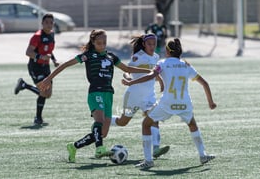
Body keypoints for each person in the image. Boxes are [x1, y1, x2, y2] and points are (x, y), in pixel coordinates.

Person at [38, 29, 152, 162]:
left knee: (102, 133)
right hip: (95, 91)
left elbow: (127, 69)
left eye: (104, 42)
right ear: (93, 42)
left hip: (108, 93)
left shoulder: (111, 57)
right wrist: (48, 78)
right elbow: (65, 65)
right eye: (99, 43)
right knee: (99, 121)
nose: (102, 45)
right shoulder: (88, 55)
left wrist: (150, 71)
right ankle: (99, 150)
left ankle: (73, 146)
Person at [122, 38, 217, 169]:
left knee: (146, 124)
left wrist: (130, 82)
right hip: (184, 103)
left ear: (167, 51)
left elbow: (151, 75)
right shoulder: (186, 64)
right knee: (192, 124)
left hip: (167, 103)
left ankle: (148, 161)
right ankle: (203, 155)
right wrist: (210, 102)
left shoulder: (162, 63)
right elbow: (205, 83)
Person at [111, 33, 169, 159]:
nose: (152, 46)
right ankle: (104, 121)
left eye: (154, 44)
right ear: (143, 44)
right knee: (122, 122)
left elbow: (153, 71)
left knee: (154, 118)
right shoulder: (138, 57)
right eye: (149, 44)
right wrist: (127, 79)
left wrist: (160, 81)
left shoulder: (155, 57)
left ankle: (156, 149)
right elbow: (127, 70)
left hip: (149, 96)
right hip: (133, 95)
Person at [14, 13, 59, 125]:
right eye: (47, 22)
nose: (49, 25)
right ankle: (38, 118)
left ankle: (24, 85)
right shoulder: (37, 36)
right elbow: (28, 52)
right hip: (36, 67)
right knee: (44, 91)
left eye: (51, 23)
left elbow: (48, 49)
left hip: (46, 67)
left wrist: (54, 60)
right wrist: (40, 57)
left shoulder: (52, 34)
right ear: (42, 23)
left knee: (47, 94)